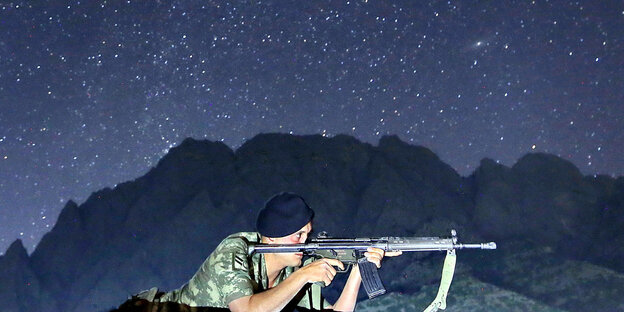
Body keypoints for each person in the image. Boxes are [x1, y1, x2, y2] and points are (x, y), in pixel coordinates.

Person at [157, 192, 401, 311]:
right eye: (298, 236)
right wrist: (303, 276)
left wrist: (359, 270)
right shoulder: (235, 250)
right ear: (272, 238)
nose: (305, 243)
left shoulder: (292, 270)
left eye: (307, 234)